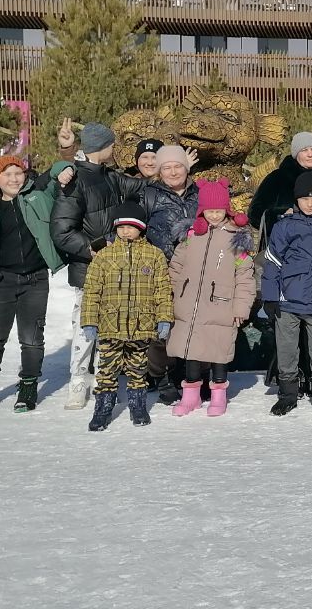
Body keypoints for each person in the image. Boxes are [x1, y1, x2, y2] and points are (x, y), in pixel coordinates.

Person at [0, 155, 71, 413]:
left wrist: (64, 163)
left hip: (36, 279)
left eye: (18, 173)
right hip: (2, 282)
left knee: (32, 339)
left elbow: (57, 171)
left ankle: (28, 386)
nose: (14, 179)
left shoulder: (39, 195)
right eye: (7, 174)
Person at [50, 121, 143, 411]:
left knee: (110, 329)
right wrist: (92, 248)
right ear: (101, 147)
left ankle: (106, 381)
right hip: (89, 270)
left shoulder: (109, 176)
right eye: (111, 145)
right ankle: (78, 383)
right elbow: (62, 230)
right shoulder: (75, 179)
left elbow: (141, 185)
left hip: (115, 270)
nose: (114, 149)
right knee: (84, 328)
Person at [80, 202, 174, 432]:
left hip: (141, 325)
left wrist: (164, 318)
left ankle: (138, 405)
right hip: (110, 324)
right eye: (121, 227)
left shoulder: (154, 255)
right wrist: (90, 320)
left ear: (141, 228)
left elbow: (162, 290)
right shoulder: (104, 256)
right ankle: (103, 408)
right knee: (107, 370)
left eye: (131, 227)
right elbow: (92, 291)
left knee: (138, 368)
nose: (126, 231)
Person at [166, 180, 256, 418]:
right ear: (201, 210)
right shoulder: (192, 236)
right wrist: (173, 294)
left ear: (226, 210)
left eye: (219, 211)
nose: (214, 215)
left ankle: (218, 395)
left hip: (221, 305)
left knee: (219, 351)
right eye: (210, 210)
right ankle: (191, 396)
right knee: (191, 352)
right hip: (189, 304)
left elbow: (246, 276)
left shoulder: (236, 239)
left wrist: (241, 307)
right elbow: (176, 267)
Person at [261, 171, 312, 416]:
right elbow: (272, 262)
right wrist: (270, 296)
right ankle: (287, 394)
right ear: (296, 200)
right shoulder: (285, 226)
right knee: (287, 350)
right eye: (305, 199)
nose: (310, 203)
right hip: (288, 302)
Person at [140, 144, 200, 405]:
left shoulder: (200, 194)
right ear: (159, 171)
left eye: (178, 166)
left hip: (196, 271)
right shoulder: (149, 195)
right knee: (161, 327)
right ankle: (161, 376)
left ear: (187, 167)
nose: (173, 172)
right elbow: (134, 228)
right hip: (161, 271)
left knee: (192, 325)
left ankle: (189, 376)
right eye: (167, 167)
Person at [247, 131, 312, 246]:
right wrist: (282, 215)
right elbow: (254, 213)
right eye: (304, 150)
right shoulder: (277, 178)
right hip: (280, 248)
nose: (310, 154)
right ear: (296, 154)